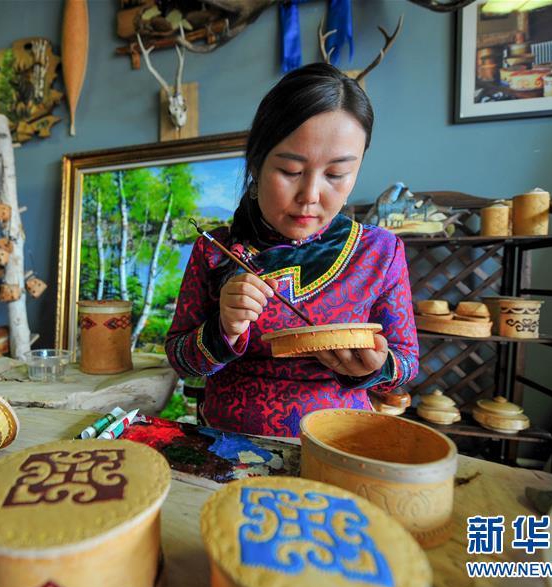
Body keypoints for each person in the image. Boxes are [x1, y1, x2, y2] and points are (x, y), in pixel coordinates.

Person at [164, 63, 418, 437]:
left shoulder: (380, 252)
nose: (311, 196)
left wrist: (374, 367)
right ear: (256, 163)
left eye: (336, 175)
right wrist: (225, 330)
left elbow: (407, 360)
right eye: (290, 171)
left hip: (335, 445)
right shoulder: (216, 250)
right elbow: (181, 362)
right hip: (223, 449)